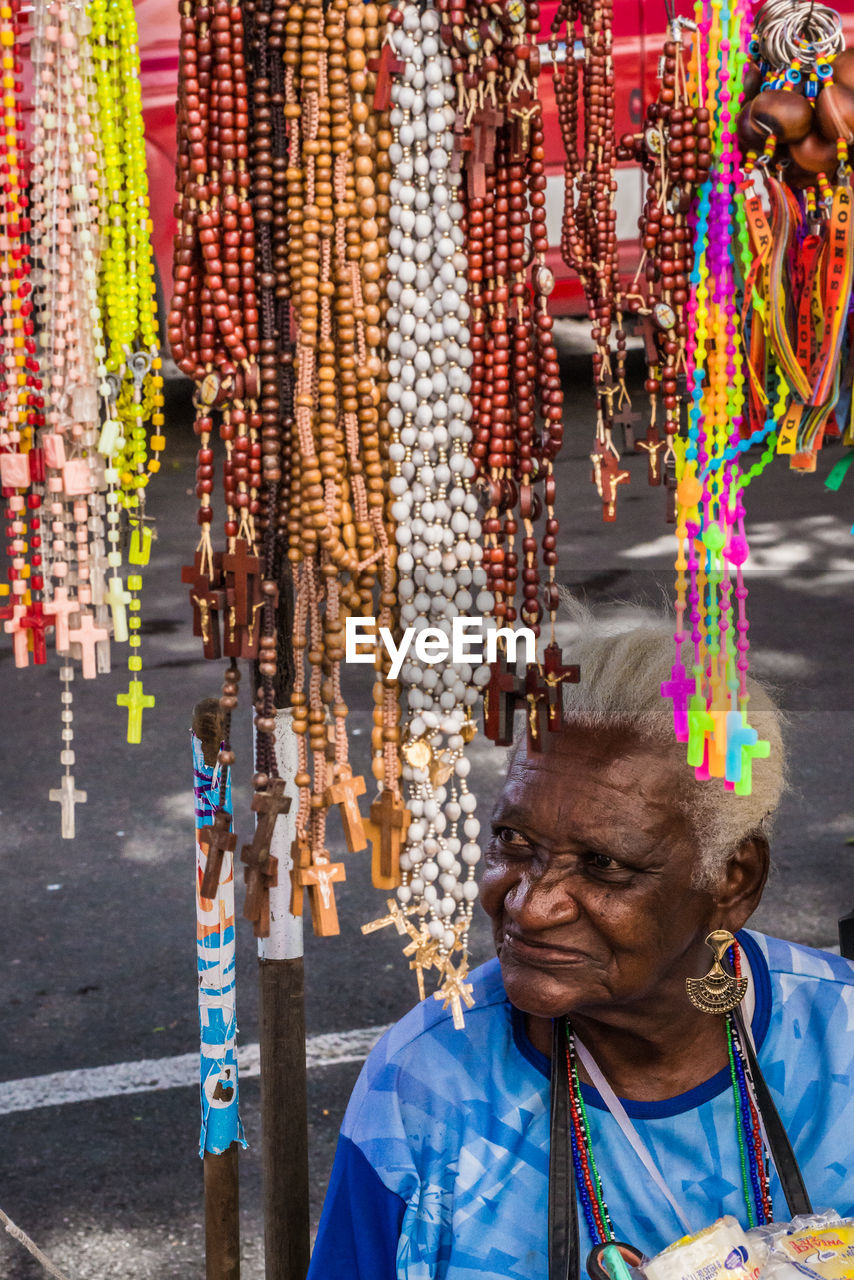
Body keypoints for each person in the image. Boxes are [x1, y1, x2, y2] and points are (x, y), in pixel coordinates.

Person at [307, 608, 854, 1279]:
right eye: (513, 842)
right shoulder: (423, 1086)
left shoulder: (843, 1039)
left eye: (604, 865)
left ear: (732, 882)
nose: (530, 907)